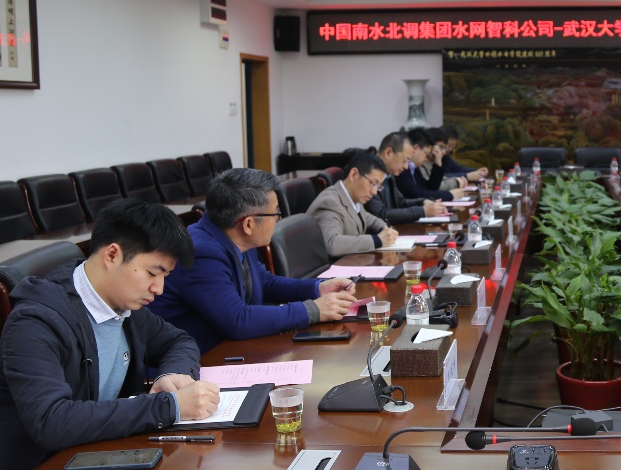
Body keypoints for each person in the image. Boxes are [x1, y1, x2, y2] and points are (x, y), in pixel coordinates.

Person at [0, 199, 219, 470]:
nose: (158, 288)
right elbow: (51, 422)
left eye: (165, 277)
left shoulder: (125, 305)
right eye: (152, 273)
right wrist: (167, 407)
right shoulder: (35, 322)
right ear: (112, 255)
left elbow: (179, 341)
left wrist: (173, 375)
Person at [154, 169, 358, 353]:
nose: (278, 219)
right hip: (199, 361)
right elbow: (238, 320)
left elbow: (265, 283)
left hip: (232, 348)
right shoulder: (201, 253)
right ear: (249, 224)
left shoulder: (234, 236)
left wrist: (317, 288)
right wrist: (313, 310)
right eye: (276, 212)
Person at [308, 151, 401, 257]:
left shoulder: (354, 198)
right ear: (354, 175)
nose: (374, 192)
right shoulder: (330, 202)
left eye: (378, 186)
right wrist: (377, 240)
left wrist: (384, 229)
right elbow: (332, 244)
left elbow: (369, 219)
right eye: (373, 183)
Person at [366, 131, 447, 225]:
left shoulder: (389, 174)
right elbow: (382, 214)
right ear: (388, 153)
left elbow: (401, 202)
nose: (406, 167)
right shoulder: (367, 173)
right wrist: (422, 211)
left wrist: (424, 202)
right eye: (405, 160)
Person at [397, 127, 466, 202]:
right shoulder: (401, 169)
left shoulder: (414, 169)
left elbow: (430, 188)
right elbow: (416, 194)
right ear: (416, 149)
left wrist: (438, 164)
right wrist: (450, 194)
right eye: (426, 154)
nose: (426, 159)